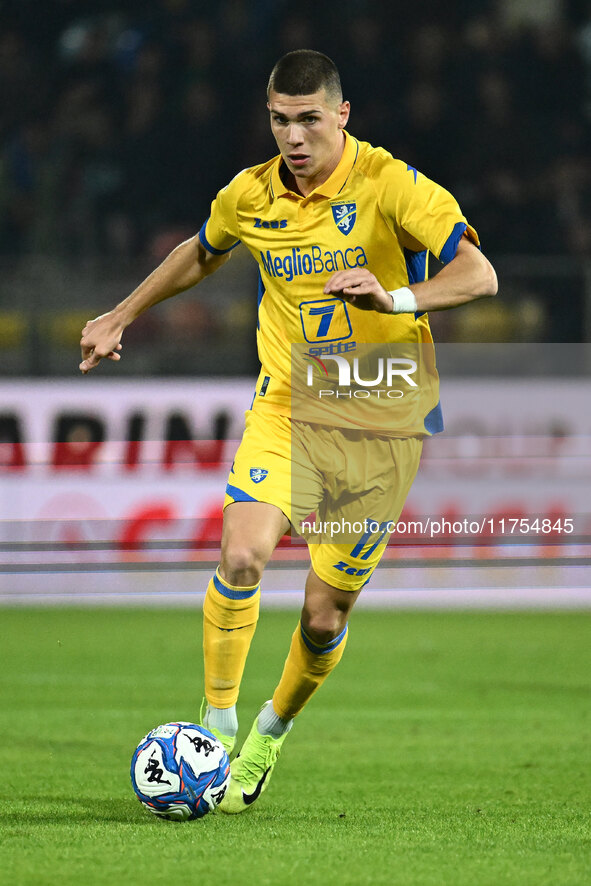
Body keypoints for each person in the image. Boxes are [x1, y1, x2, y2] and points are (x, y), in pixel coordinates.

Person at [79, 49, 497, 813]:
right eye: (279, 119)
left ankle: (268, 734)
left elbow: (479, 275)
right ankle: (213, 734)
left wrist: (396, 298)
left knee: (321, 612)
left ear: (341, 115)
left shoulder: (389, 184)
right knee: (240, 554)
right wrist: (121, 312)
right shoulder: (251, 193)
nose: (293, 136)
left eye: (308, 119)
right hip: (289, 402)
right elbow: (198, 252)